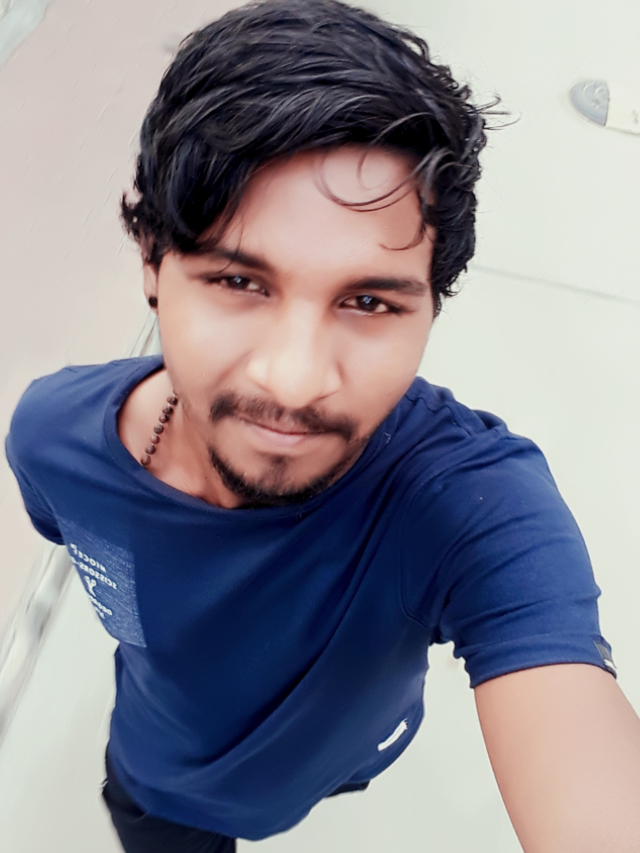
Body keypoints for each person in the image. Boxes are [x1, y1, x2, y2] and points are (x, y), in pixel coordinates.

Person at [5, 0, 640, 850]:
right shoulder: (53, 439)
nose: (295, 378)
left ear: (431, 307)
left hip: (340, 758)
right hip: (157, 786)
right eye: (238, 282)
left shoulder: (468, 504)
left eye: (368, 301)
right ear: (153, 263)